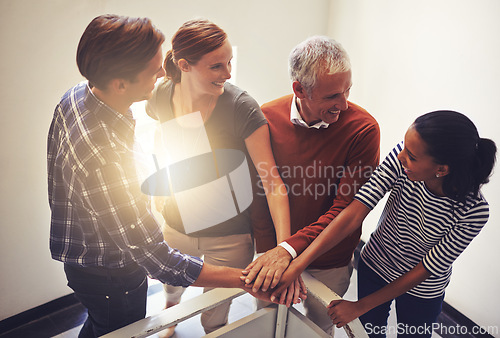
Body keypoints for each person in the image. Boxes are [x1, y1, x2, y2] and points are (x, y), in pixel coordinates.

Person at [47, 15, 276, 338]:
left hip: (82, 259)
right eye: (154, 67)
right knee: (117, 331)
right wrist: (248, 281)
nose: (162, 71)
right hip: (112, 275)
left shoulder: (75, 97)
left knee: (102, 326)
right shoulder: (106, 156)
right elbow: (158, 260)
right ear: (121, 84)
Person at [268, 111, 496, 338]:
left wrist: (359, 306)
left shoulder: (474, 211)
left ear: (442, 170)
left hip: (423, 289)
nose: (401, 156)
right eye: (405, 147)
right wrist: (298, 264)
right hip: (375, 266)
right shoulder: (403, 161)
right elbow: (354, 213)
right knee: (369, 334)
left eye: (412, 156)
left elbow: (426, 268)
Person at [145, 19, 297, 336]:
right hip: (177, 224)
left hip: (231, 237)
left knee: (213, 317)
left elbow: (273, 184)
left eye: (230, 63)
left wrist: (284, 252)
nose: (228, 74)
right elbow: (161, 132)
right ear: (184, 66)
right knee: (172, 291)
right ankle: (170, 316)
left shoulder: (241, 108)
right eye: (216, 66)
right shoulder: (160, 96)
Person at [242, 36, 380, 333]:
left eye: (347, 91)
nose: (343, 104)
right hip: (273, 253)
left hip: (329, 259)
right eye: (332, 96)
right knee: (266, 323)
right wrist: (272, 252)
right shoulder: (265, 118)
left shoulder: (363, 129)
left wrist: (290, 255)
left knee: (319, 329)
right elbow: (259, 194)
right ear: (299, 89)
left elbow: (345, 209)